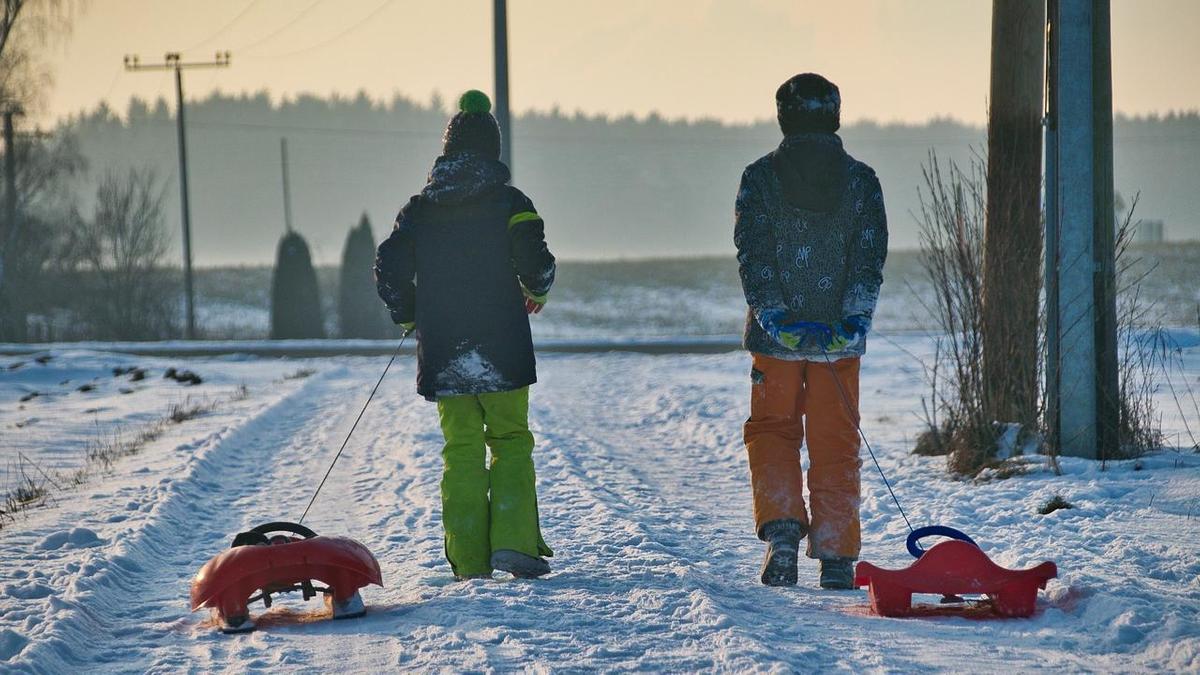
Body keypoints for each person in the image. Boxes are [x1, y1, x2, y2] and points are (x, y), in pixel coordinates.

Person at [374, 90, 556, 581]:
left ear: (448, 151)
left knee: (461, 450)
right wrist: (535, 289)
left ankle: (470, 560)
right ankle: (515, 545)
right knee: (511, 440)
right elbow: (537, 264)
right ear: (493, 152)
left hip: (445, 349)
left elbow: (388, 265)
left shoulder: (419, 210)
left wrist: (408, 313)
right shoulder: (511, 203)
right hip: (503, 346)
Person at [733, 73, 888, 588]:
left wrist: (774, 315)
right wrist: (853, 318)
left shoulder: (758, 178)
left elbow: (753, 257)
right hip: (839, 342)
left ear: (783, 117)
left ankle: (781, 534)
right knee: (835, 441)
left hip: (777, 341)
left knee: (773, 430)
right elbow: (869, 260)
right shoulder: (862, 181)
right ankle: (837, 555)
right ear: (835, 115)